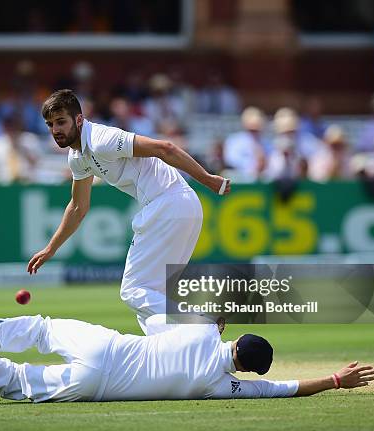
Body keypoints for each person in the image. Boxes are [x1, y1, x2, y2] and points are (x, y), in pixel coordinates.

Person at [27, 89, 230, 334]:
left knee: (134, 291)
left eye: (61, 122)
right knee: (152, 298)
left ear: (79, 120)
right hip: (180, 207)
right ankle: (179, 357)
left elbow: (165, 148)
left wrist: (207, 179)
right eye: (50, 125)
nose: (55, 130)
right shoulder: (77, 157)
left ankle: (203, 326)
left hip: (168, 204)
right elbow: (78, 206)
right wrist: (51, 248)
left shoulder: (102, 139)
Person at [0, 313, 374, 403]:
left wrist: (216, 322)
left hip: (106, 345)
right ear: (247, 368)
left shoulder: (203, 330)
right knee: (17, 383)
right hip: (97, 385)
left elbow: (208, 315)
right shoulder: (222, 386)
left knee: (40, 329)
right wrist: (335, 380)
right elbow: (286, 388)